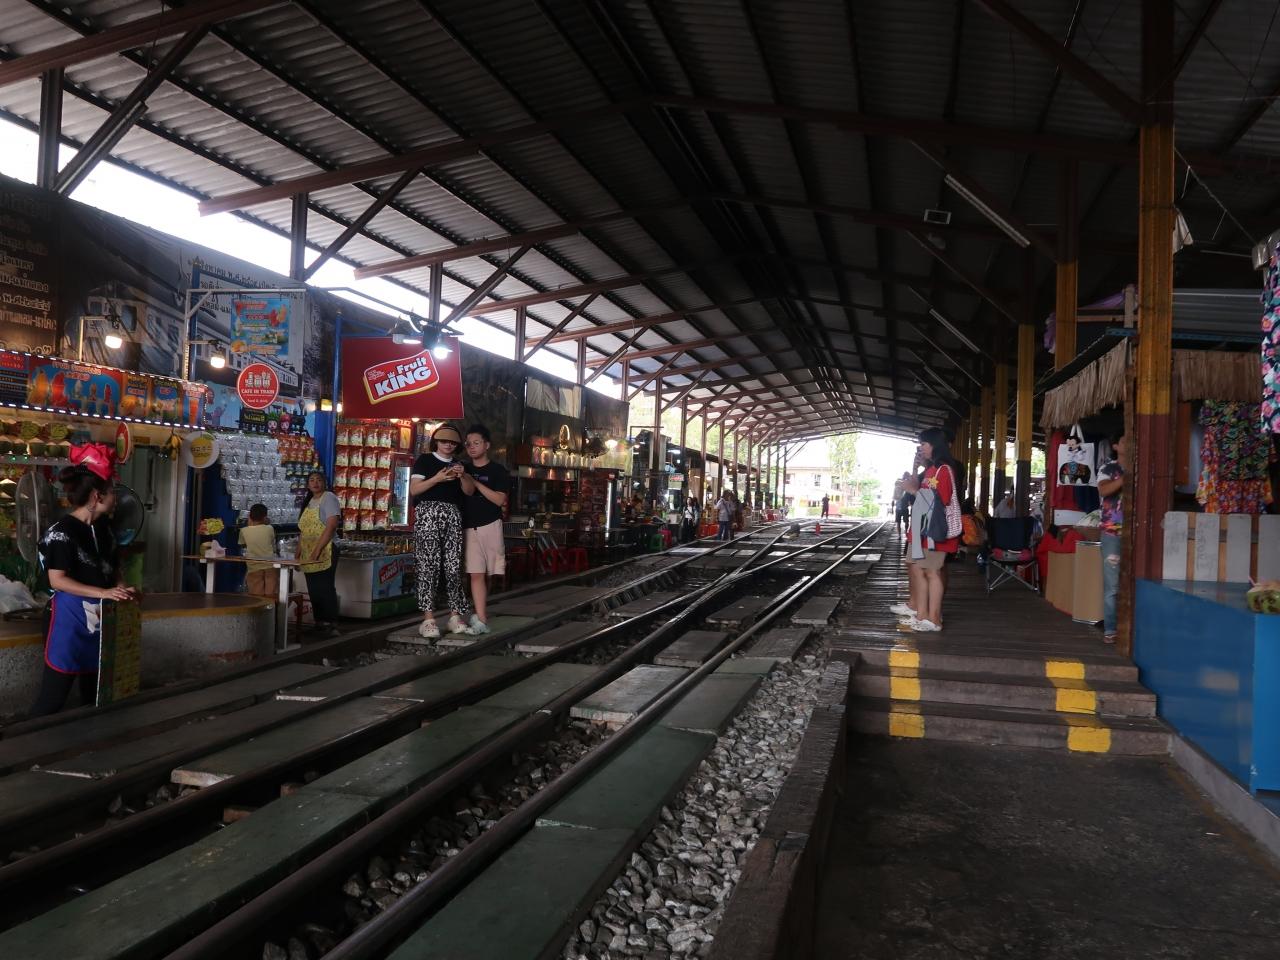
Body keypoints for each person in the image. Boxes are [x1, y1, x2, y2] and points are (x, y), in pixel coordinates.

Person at [30, 459, 137, 716]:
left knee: (96, 695)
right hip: (68, 620)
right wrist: (104, 593)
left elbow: (114, 570)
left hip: (101, 620)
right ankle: (27, 737)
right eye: (112, 492)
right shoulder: (61, 532)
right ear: (97, 496)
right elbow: (57, 580)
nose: (116, 498)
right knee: (52, 700)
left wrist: (122, 589)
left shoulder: (105, 530)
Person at [410, 424, 472, 639]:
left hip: (452, 514)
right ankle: (428, 619)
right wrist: (437, 478)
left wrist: (463, 475)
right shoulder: (425, 460)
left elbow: (469, 491)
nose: (448, 445)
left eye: (453, 442)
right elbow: (414, 489)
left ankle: (455, 615)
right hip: (427, 513)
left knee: (454, 565)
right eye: (444, 441)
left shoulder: (460, 465)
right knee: (428, 564)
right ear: (436, 441)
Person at [906, 428, 963, 632]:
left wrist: (914, 490)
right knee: (923, 571)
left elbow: (941, 500)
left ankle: (935, 619)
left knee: (932, 572)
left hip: (935, 530)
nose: (921, 448)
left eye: (923, 444)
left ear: (934, 445)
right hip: (924, 529)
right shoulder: (931, 470)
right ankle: (922, 616)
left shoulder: (944, 470)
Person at [461, 424, 509, 635]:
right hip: (469, 527)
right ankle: (481, 618)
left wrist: (477, 484)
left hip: (491, 525)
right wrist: (465, 477)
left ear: (487, 445)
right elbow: (465, 492)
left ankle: (480, 615)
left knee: (490, 572)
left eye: (476, 443)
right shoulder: (463, 468)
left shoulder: (498, 471)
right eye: (468, 444)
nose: (471, 447)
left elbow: (499, 500)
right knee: (475, 573)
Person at [299, 471, 342, 638]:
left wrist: (317, 550)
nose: (315, 483)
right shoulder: (309, 501)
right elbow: (303, 531)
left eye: (319, 480)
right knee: (313, 587)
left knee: (325, 586)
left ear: (325, 483)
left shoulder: (329, 497)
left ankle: (331, 623)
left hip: (327, 548)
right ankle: (319, 623)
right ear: (308, 485)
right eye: (311, 480)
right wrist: (298, 552)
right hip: (308, 551)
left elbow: (331, 525)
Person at [1097, 433, 1125, 644]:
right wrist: (1124, 479)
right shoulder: (1108, 469)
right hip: (1112, 533)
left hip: (1138, 532)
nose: (1130, 444)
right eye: (1125, 440)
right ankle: (1111, 629)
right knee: (1113, 586)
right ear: (1115, 446)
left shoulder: (1143, 466)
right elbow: (1104, 489)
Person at [240, 503, 277, 598]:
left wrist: (249, 524)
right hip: (270, 565)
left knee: (256, 597)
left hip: (253, 566)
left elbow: (243, 544)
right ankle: (272, 608)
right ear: (265, 517)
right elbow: (272, 541)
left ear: (250, 516)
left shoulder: (243, 530)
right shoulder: (270, 528)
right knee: (270, 596)